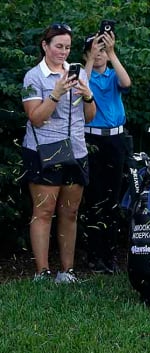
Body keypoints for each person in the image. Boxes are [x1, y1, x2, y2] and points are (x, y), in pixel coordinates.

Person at [21, 23, 96, 283]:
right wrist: (55, 94)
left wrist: (88, 96)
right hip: (46, 149)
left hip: (75, 148)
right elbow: (35, 118)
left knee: (70, 212)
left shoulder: (78, 74)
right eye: (58, 46)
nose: (63, 52)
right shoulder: (33, 77)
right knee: (44, 211)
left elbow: (90, 117)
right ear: (45, 45)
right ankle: (42, 271)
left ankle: (67, 271)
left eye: (67, 47)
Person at [82, 30, 132, 274]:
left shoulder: (112, 75)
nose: (99, 54)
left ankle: (110, 255)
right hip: (92, 138)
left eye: (102, 50)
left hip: (115, 140)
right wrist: (90, 60)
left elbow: (127, 83)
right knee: (93, 197)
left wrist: (112, 53)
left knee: (112, 199)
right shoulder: (84, 75)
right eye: (94, 50)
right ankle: (93, 255)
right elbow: (81, 85)